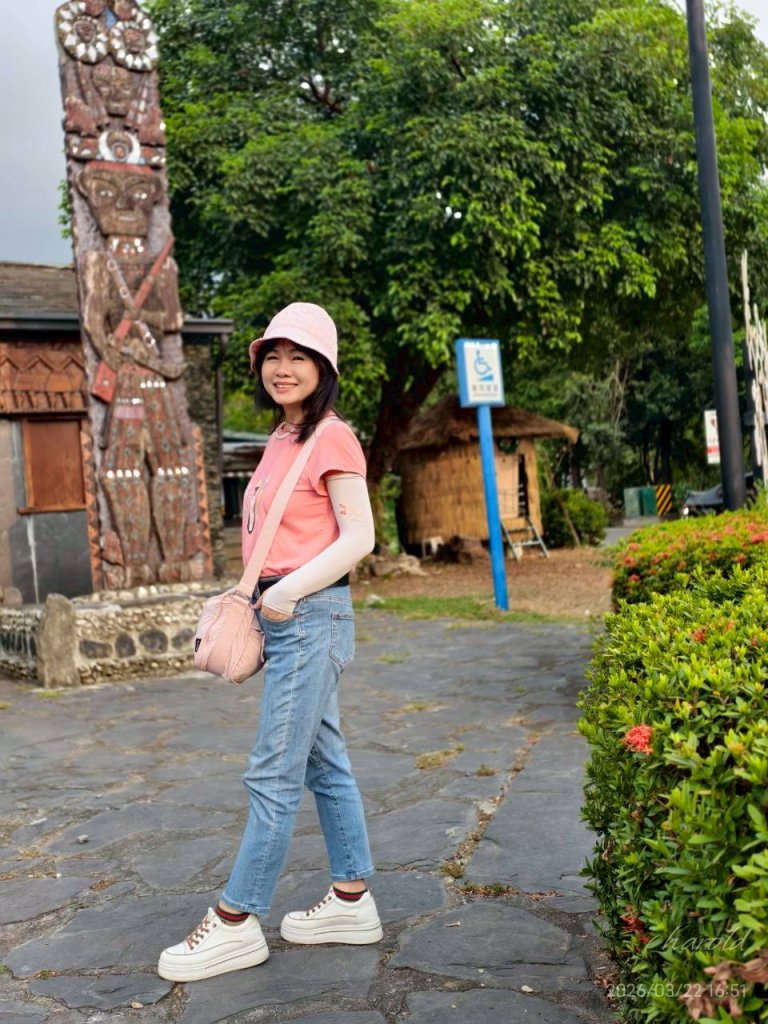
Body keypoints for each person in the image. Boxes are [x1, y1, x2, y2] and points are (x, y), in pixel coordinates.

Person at [158, 303, 381, 982]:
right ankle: (352, 901)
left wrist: (286, 594)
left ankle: (236, 922)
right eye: (273, 357)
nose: (283, 368)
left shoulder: (333, 439)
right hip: (289, 613)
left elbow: (360, 536)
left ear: (324, 368)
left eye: (299, 357)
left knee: (273, 770)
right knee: (323, 763)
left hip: (308, 615)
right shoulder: (284, 436)